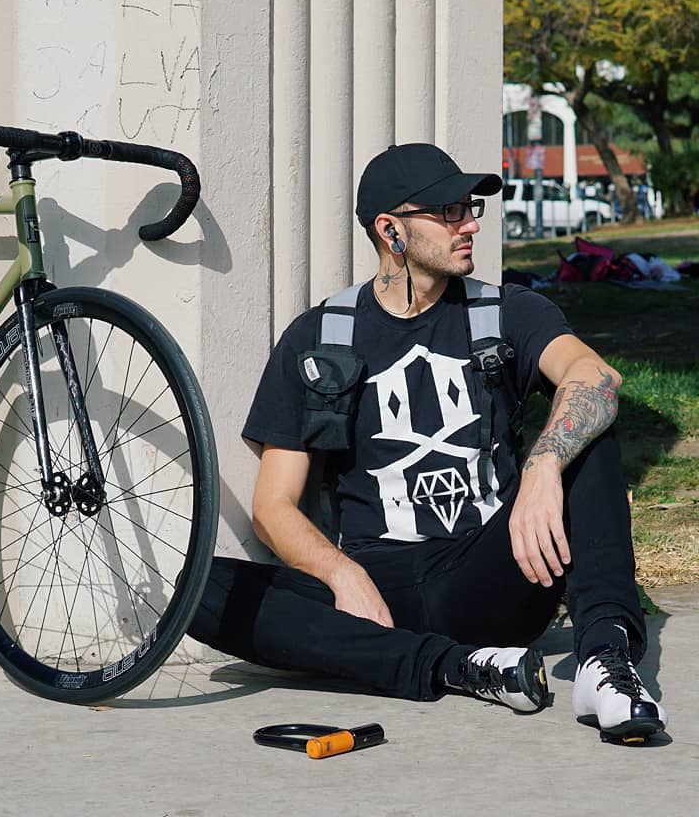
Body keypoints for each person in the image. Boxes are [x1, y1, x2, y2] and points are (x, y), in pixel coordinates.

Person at [189, 142, 667, 742]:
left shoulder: (507, 312)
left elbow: (596, 376)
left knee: (587, 430)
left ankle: (605, 661)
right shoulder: (320, 336)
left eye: (470, 208)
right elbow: (272, 507)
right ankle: (462, 668)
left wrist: (542, 471)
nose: (469, 223)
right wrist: (342, 574)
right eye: (448, 211)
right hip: (380, 591)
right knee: (200, 589)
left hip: (492, 569)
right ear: (390, 230)